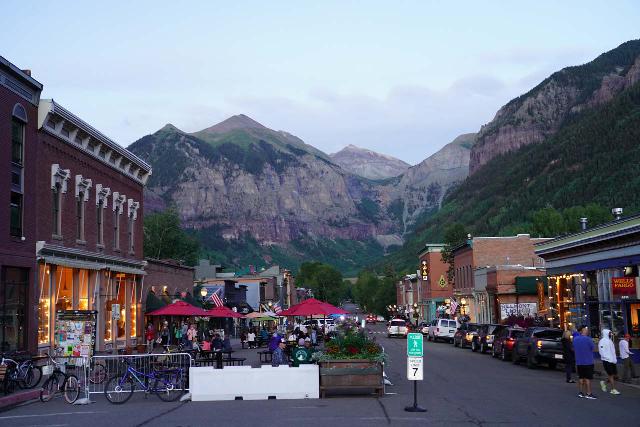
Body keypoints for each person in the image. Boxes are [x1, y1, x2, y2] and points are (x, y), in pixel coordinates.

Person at [573, 325, 596, 399]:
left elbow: (574, 348)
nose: (587, 330)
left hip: (579, 361)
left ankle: (580, 392)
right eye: (586, 329)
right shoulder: (588, 339)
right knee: (587, 378)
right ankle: (589, 393)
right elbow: (593, 348)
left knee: (581, 377)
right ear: (583, 331)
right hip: (588, 361)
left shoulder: (575, 339)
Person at [598, 328, 620, 395]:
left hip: (612, 360)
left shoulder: (610, 341)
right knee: (611, 375)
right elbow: (601, 351)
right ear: (606, 333)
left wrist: (614, 359)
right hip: (607, 360)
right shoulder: (602, 341)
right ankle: (613, 389)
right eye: (610, 333)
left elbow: (613, 351)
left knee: (614, 375)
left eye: (610, 333)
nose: (611, 334)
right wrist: (607, 357)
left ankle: (604, 383)